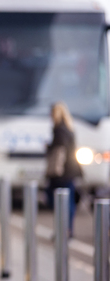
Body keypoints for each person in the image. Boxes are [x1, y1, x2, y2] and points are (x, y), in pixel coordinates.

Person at [45, 102, 82, 238]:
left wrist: (49, 148)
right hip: (70, 170)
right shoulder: (68, 128)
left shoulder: (59, 130)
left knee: (59, 200)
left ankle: (64, 230)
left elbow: (60, 152)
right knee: (68, 200)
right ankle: (67, 230)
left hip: (62, 172)